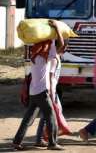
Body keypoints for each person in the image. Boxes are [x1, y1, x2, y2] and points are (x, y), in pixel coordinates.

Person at [13, 20, 64, 151]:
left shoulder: (34, 57)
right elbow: (62, 44)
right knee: (51, 117)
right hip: (42, 92)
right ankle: (52, 143)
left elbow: (49, 46)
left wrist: (50, 39)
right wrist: (57, 28)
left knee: (27, 119)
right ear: (45, 49)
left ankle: (16, 142)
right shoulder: (46, 58)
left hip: (33, 92)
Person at [35, 40, 69, 147]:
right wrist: (51, 93)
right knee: (49, 115)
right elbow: (50, 76)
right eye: (66, 46)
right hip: (51, 90)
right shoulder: (54, 59)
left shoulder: (56, 57)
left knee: (49, 115)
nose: (67, 48)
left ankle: (44, 138)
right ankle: (47, 139)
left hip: (51, 90)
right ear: (63, 47)